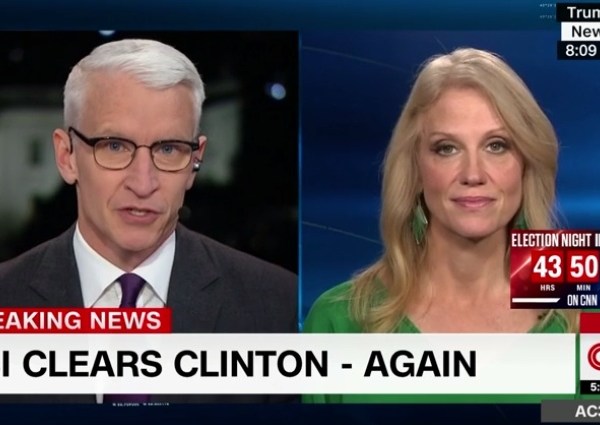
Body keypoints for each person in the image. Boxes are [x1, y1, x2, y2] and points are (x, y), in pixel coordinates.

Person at [0, 38, 297, 403]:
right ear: (67, 156)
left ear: (195, 161)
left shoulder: (278, 309)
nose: (143, 183)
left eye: (168, 149)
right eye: (114, 146)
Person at [303, 47, 578, 402]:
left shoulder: (582, 321)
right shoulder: (339, 322)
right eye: (447, 148)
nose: (473, 174)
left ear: (525, 164)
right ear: (416, 169)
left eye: (496, 146)